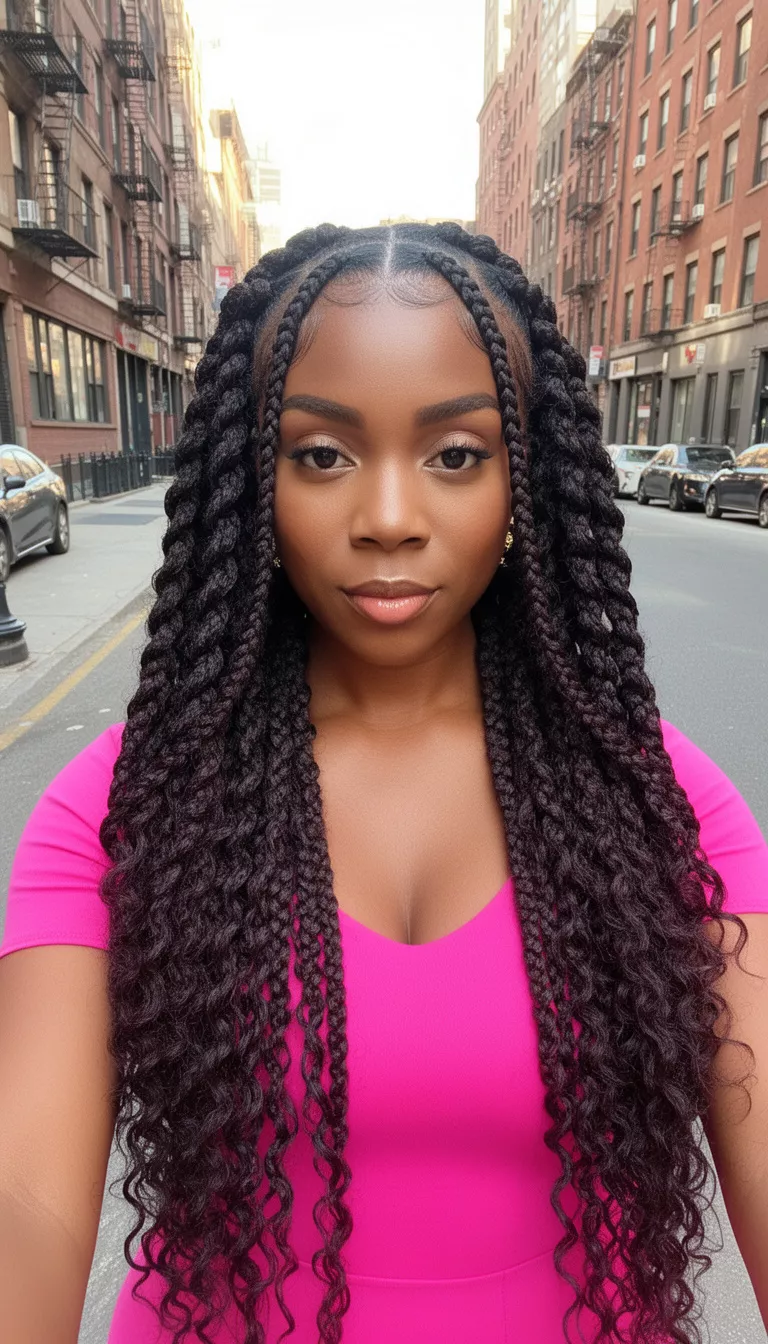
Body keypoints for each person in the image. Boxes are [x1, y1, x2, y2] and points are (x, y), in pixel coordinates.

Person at [0, 222, 767, 1344]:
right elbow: (27, 1198)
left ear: (528, 479)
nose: (391, 517)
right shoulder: (121, 808)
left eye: (457, 454)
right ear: (249, 479)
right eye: (322, 454)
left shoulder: (665, 805)